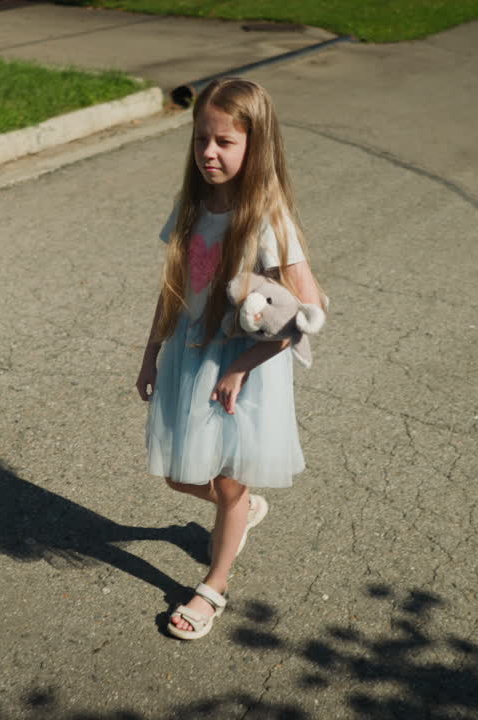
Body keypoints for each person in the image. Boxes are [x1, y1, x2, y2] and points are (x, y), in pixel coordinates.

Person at [135, 78, 324, 640]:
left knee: (229, 482)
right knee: (179, 475)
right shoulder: (192, 207)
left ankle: (213, 586)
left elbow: (306, 315)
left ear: (255, 144)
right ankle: (239, 511)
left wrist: (241, 367)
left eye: (224, 142)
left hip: (243, 370)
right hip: (187, 358)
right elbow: (172, 291)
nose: (209, 153)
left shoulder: (269, 217)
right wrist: (149, 355)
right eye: (200, 140)